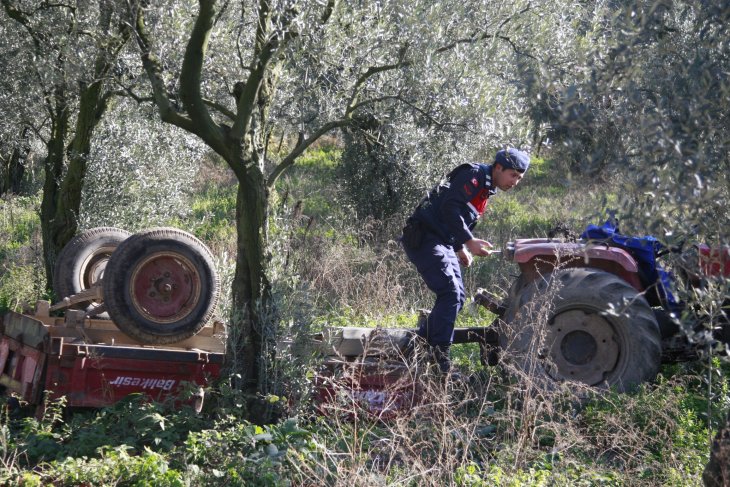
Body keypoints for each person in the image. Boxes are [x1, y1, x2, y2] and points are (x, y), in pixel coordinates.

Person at [401, 148, 530, 373]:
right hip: (425, 238)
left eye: (520, 177)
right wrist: (469, 241)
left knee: (458, 298)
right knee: (450, 293)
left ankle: (415, 347)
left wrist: (460, 247)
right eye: (513, 175)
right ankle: (441, 358)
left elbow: (454, 218)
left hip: (443, 242)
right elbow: (448, 207)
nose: (516, 182)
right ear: (498, 167)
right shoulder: (475, 175)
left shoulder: (487, 188)